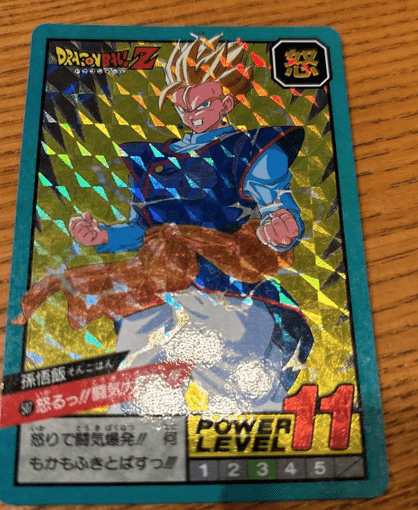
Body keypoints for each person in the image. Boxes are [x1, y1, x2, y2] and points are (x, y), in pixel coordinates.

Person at [18, 35, 314, 414]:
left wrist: (281, 223)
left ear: (226, 104)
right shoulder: (151, 160)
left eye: (202, 105)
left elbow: (276, 204)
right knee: (135, 379)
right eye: (182, 106)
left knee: (252, 373)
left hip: (224, 274)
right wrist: (103, 235)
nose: (191, 115)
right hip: (158, 277)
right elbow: (140, 230)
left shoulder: (248, 150)